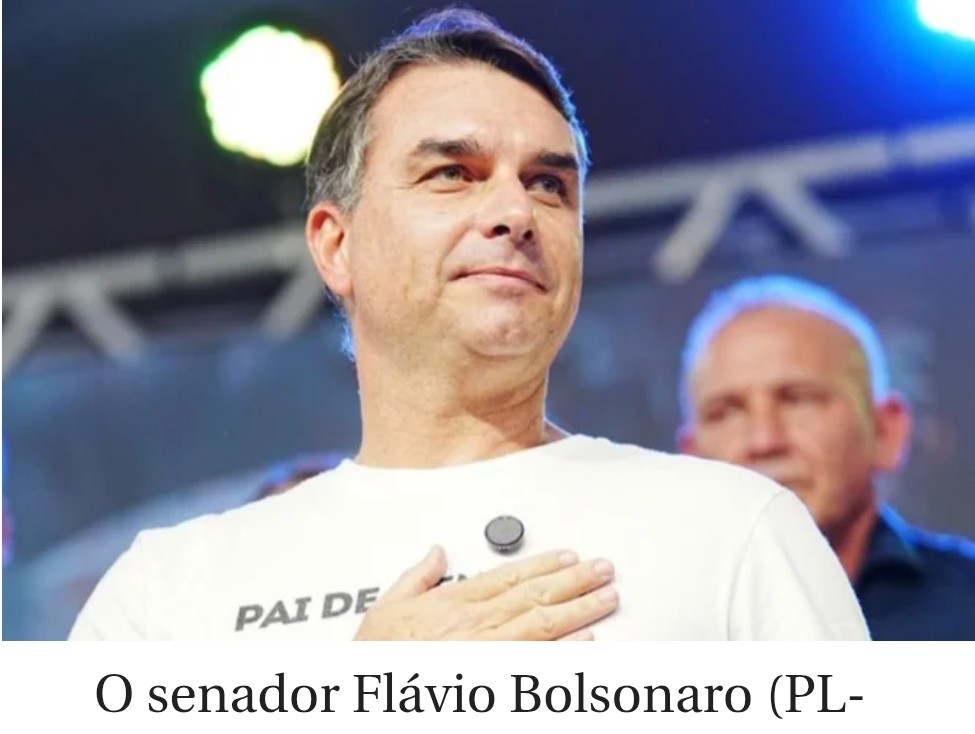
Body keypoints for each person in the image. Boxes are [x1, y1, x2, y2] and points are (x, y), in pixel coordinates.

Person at [68, 9, 867, 641]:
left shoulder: (734, 530)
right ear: (337, 245)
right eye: (453, 173)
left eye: (549, 184)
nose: (516, 211)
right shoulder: (167, 593)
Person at [678, 274, 975, 640]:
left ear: (884, 431)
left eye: (798, 398)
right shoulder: (645, 631)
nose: (764, 440)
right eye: (726, 411)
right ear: (689, 460)